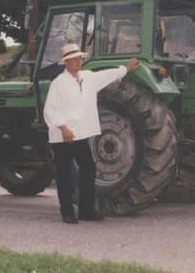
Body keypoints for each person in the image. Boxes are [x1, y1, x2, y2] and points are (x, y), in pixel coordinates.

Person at [43, 43, 139, 224]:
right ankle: (67, 212)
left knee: (88, 170)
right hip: (63, 136)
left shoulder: (88, 78)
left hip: (80, 135)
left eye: (81, 58)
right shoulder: (58, 84)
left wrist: (126, 69)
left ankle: (86, 210)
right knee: (64, 175)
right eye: (76, 59)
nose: (80, 61)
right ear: (67, 62)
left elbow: (107, 75)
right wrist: (63, 128)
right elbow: (50, 110)